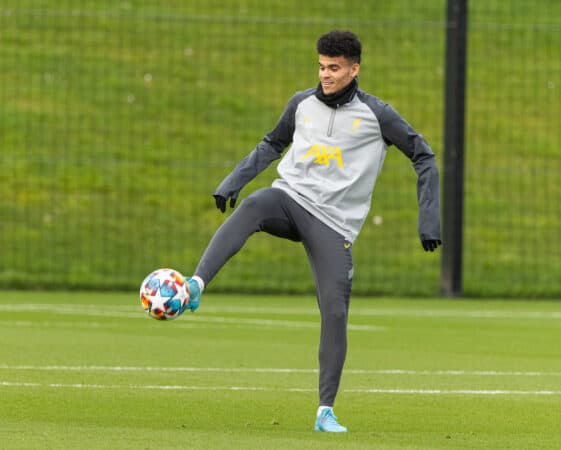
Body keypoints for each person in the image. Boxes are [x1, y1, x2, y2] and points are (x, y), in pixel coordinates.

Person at [183, 30, 441, 432]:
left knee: (335, 311)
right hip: (289, 199)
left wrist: (428, 220)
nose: (325, 75)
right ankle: (195, 286)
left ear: (354, 69)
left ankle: (325, 411)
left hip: (334, 224)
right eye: (321, 67)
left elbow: (423, 156)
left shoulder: (377, 115)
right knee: (254, 206)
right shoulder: (301, 104)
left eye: (334, 68)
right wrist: (232, 181)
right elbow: (272, 144)